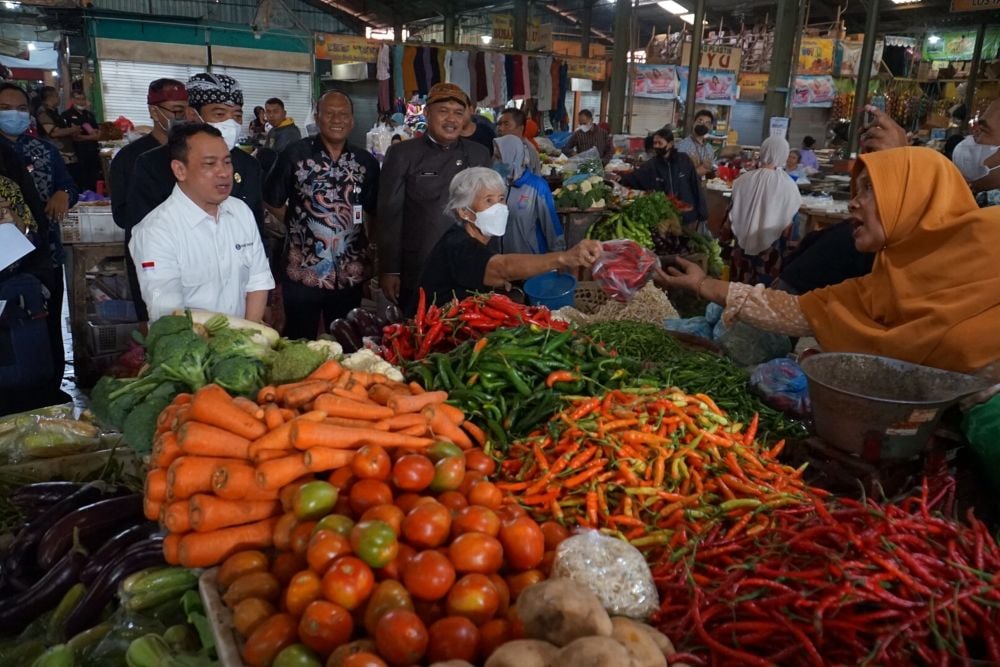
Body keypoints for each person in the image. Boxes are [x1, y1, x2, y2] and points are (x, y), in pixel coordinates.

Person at [659, 147, 1000, 377]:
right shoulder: (882, 281)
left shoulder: (989, 245)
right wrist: (702, 284)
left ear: (913, 198)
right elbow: (792, 310)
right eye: (857, 190)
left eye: (869, 190)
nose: (853, 203)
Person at [129, 124, 273, 322]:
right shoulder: (155, 231)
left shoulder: (241, 212)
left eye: (227, 162)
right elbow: (170, 314)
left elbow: (258, 281)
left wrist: (249, 336)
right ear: (180, 170)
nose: (223, 173)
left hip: (241, 344)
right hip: (188, 347)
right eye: (209, 164)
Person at [264, 91, 379, 339]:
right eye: (329, 113)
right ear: (318, 118)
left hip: (350, 271)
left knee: (348, 339)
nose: (336, 119)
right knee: (299, 339)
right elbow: (271, 198)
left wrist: (371, 252)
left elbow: (372, 210)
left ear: (352, 120)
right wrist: (295, 223)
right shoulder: (295, 154)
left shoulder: (365, 162)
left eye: (343, 114)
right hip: (303, 270)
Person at [414, 167, 601, 311]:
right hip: (432, 331)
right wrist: (564, 257)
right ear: (464, 211)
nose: (499, 207)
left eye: (501, 198)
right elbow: (502, 268)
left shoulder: (484, 238)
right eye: (488, 200)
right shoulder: (458, 244)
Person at [377, 82, 491, 307]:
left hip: (466, 266)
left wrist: (493, 263)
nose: (451, 119)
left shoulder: (479, 154)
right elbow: (389, 215)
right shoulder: (402, 154)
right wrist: (390, 270)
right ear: (427, 113)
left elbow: (489, 210)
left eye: (458, 113)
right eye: (443, 111)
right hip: (419, 266)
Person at [0, 82, 79, 393]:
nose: (14, 114)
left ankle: (51, 384)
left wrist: (63, 193)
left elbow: (69, 185)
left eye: (21, 108)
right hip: (5, 261)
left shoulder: (44, 150)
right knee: (11, 327)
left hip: (46, 252)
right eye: (6, 108)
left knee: (47, 319)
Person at [127, 73, 264, 238]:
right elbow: (142, 234)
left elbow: (257, 231)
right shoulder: (153, 165)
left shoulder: (248, 165)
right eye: (219, 114)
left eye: (237, 116)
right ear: (192, 115)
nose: (231, 123)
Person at [108, 78, 190, 321]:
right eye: (176, 111)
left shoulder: (194, 152)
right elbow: (123, 215)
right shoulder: (130, 158)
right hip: (153, 258)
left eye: (186, 110)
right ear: (154, 111)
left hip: (195, 254)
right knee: (160, 323)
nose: (183, 116)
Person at [0, 139, 66, 411]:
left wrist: (14, 223)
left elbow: (33, 239)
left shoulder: (7, 186)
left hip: (8, 297)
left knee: (18, 391)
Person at [725, 137, 802, 286]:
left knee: (736, 293)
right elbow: (791, 226)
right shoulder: (788, 186)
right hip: (771, 254)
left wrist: (725, 243)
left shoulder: (743, 180)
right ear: (784, 154)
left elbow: (730, 214)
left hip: (741, 250)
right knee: (762, 297)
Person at [614, 129, 706, 227]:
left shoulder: (683, 160)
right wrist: (619, 178)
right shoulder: (652, 165)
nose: (656, 146)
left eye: (660, 143)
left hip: (687, 215)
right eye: (655, 143)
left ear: (670, 144)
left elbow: (695, 185)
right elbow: (635, 178)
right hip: (665, 217)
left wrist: (702, 213)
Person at [493, 135, 563, 254]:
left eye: (499, 157)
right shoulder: (497, 185)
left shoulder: (537, 187)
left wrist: (558, 255)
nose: (495, 161)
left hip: (530, 260)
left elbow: (551, 225)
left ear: (512, 157)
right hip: (502, 262)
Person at [774, 221, 874, 295]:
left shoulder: (851, 225)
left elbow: (810, 239)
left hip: (792, 278)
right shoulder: (870, 241)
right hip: (800, 289)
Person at [951, 98, 1000, 207]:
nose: (972, 138)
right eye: (976, 130)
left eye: (984, 130)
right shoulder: (980, 203)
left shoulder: (991, 221)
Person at [33, 86, 81, 189]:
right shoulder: (43, 112)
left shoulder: (54, 112)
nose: (59, 98)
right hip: (57, 154)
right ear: (51, 96)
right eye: (57, 95)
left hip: (68, 155)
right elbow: (53, 133)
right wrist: (73, 129)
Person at [61, 89, 102, 192]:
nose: (81, 102)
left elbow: (97, 133)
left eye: (83, 99)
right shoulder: (66, 115)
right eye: (78, 99)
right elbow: (74, 137)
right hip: (77, 154)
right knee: (80, 181)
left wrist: (90, 136)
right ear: (72, 100)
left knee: (94, 180)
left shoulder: (89, 115)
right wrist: (90, 137)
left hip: (93, 152)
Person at [496, 108, 542, 175]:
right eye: (499, 124)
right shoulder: (502, 146)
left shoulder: (527, 151)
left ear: (520, 128)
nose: (500, 128)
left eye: (506, 124)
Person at [676, 109, 716, 177]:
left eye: (707, 123)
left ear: (710, 127)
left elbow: (710, 169)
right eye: (700, 121)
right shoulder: (682, 146)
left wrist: (713, 173)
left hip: (702, 186)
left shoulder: (709, 148)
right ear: (693, 122)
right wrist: (698, 171)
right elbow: (678, 173)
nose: (703, 124)